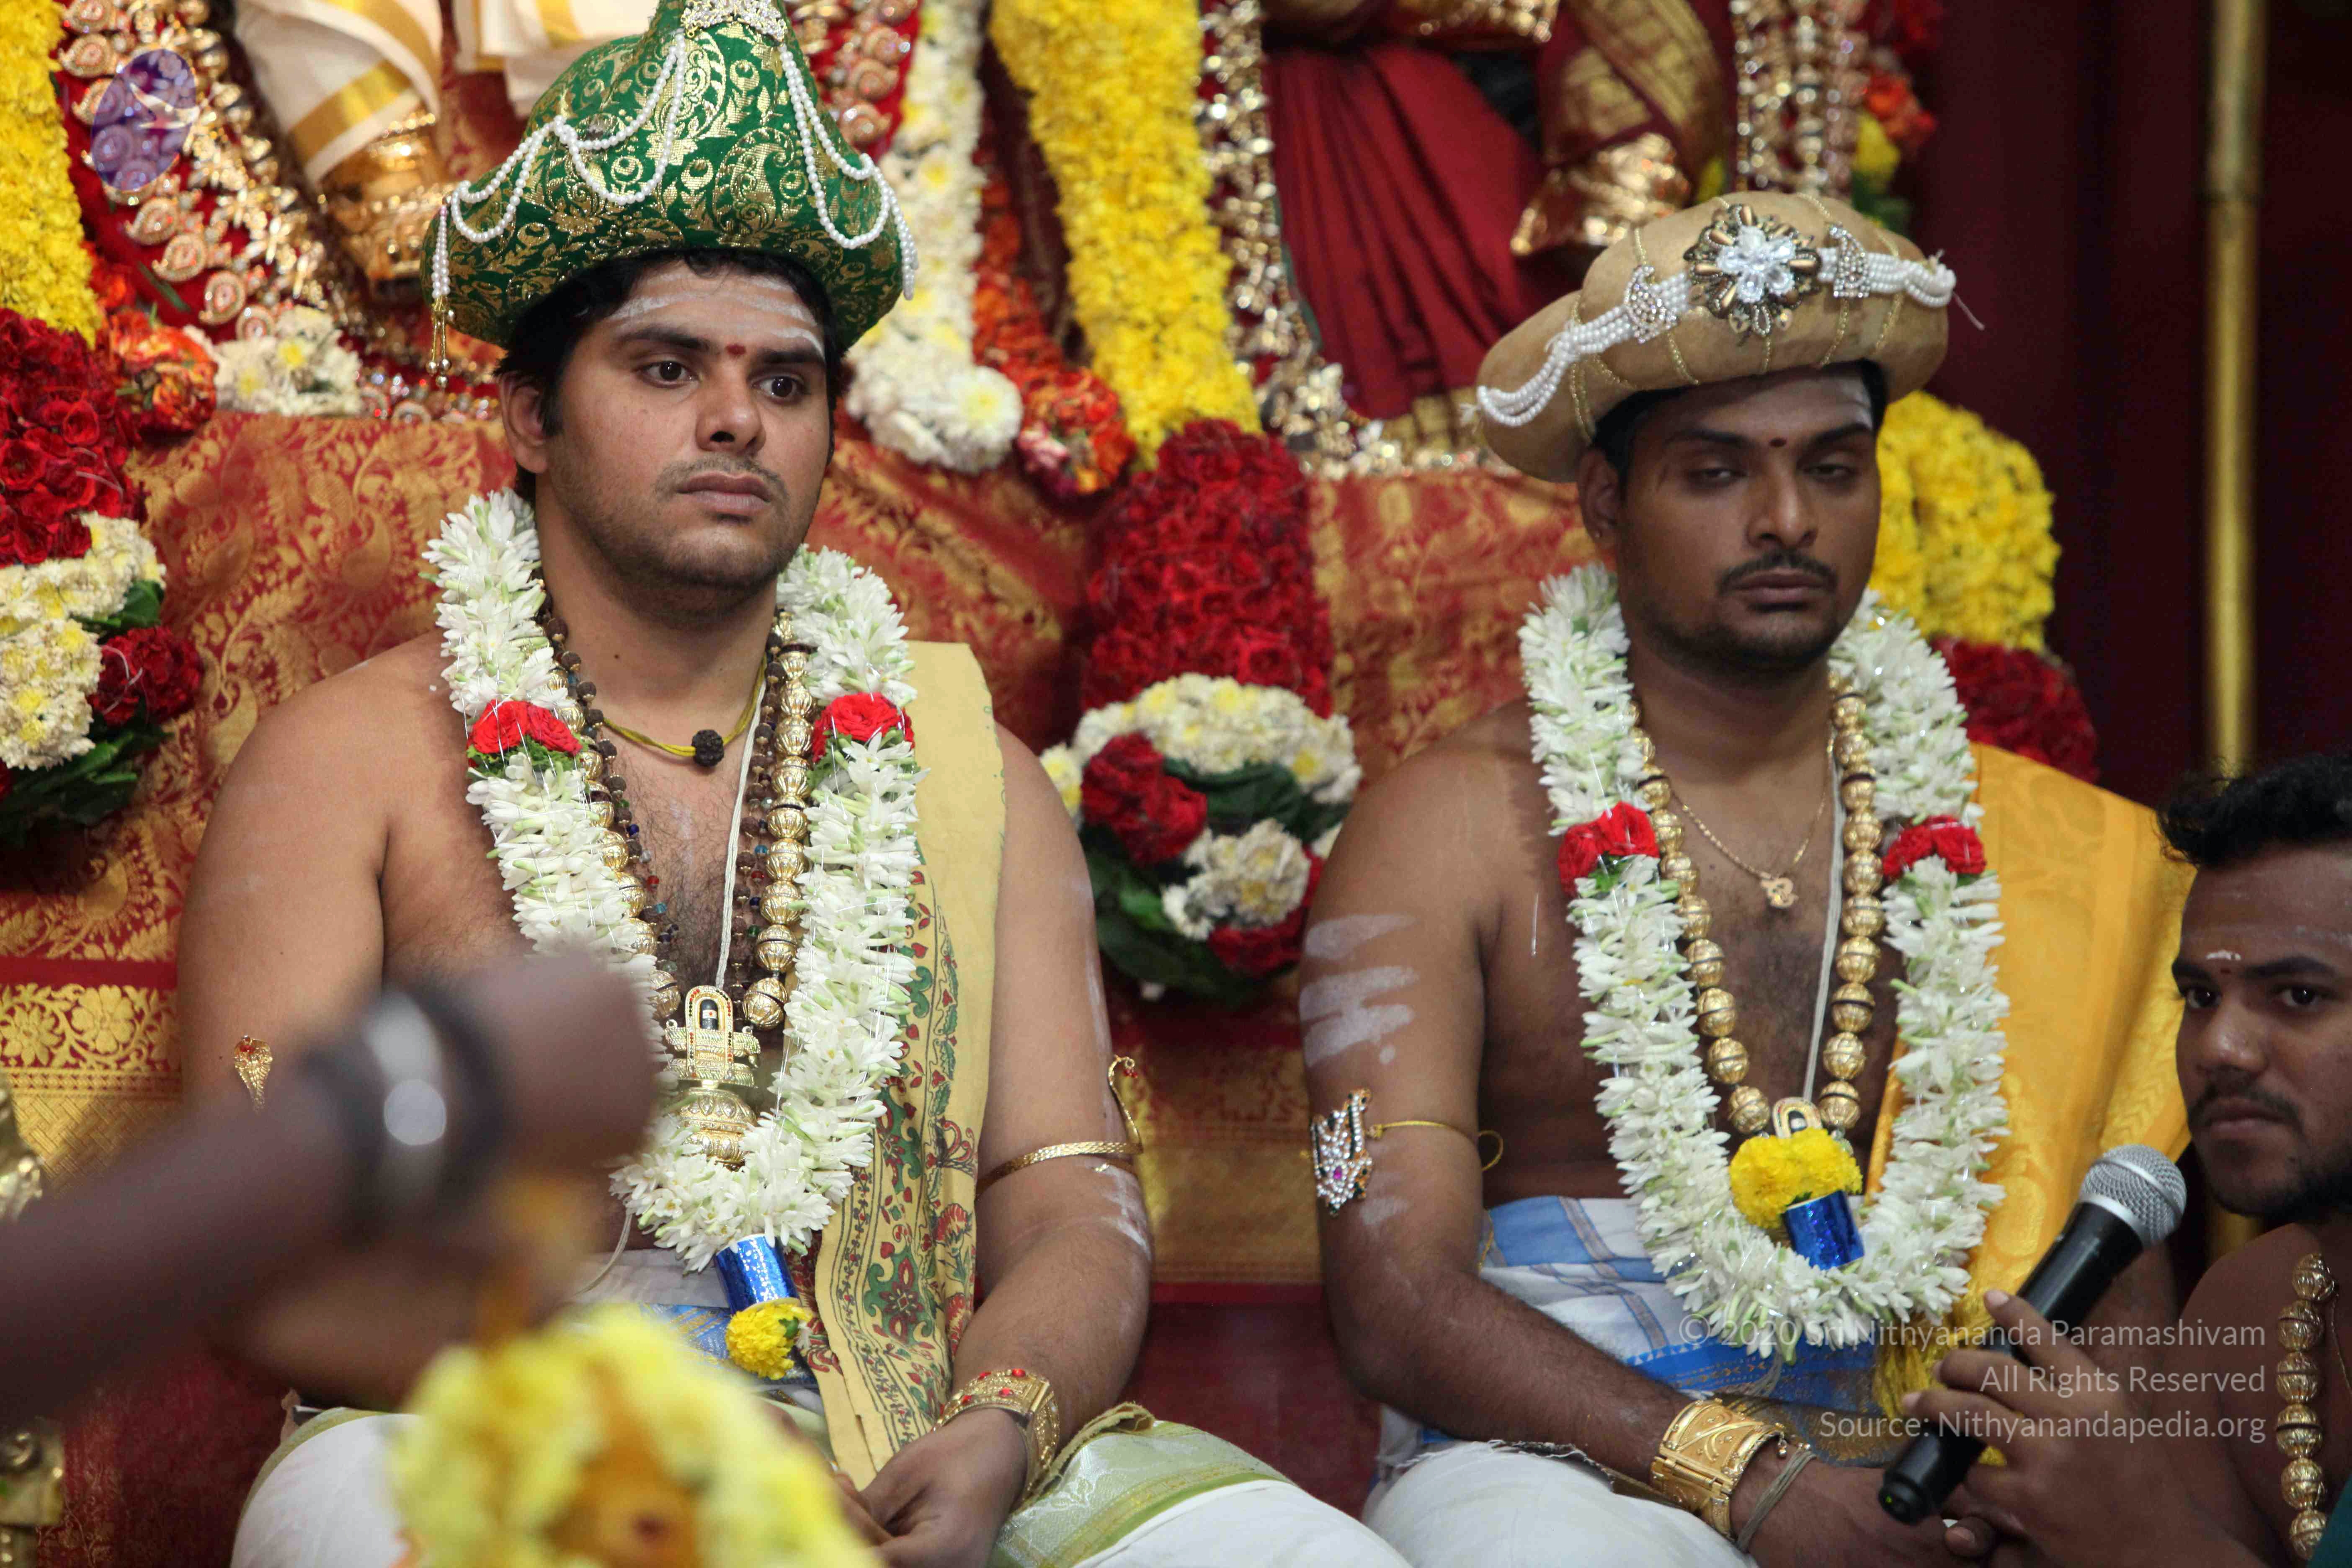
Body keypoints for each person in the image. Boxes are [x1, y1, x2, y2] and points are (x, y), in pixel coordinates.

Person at [176, 2, 1408, 1564]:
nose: (734, 419)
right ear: (530, 419)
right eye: (666, 365)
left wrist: (1004, 1423)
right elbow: (260, 1252)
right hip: (494, 1414)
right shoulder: (350, 762)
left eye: (786, 379)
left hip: (908, 1423)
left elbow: (1066, 1196)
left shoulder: (961, 770)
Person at [1301, 191, 2192, 1568]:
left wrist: (2072, 1496)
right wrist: (1750, 1479)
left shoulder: (2034, 843)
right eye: (1715, 473)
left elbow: (2116, 1298)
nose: (1785, 519)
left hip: (1941, 1482)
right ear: (1606, 501)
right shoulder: (1450, 825)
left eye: (1832, 468)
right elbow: (1393, 1299)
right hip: (1556, 1480)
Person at [1908, 753, 2352, 1567]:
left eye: (2299, 996)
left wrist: (2144, 1535)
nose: (2219, 1048)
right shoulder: (2251, 1311)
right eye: (2200, 997)